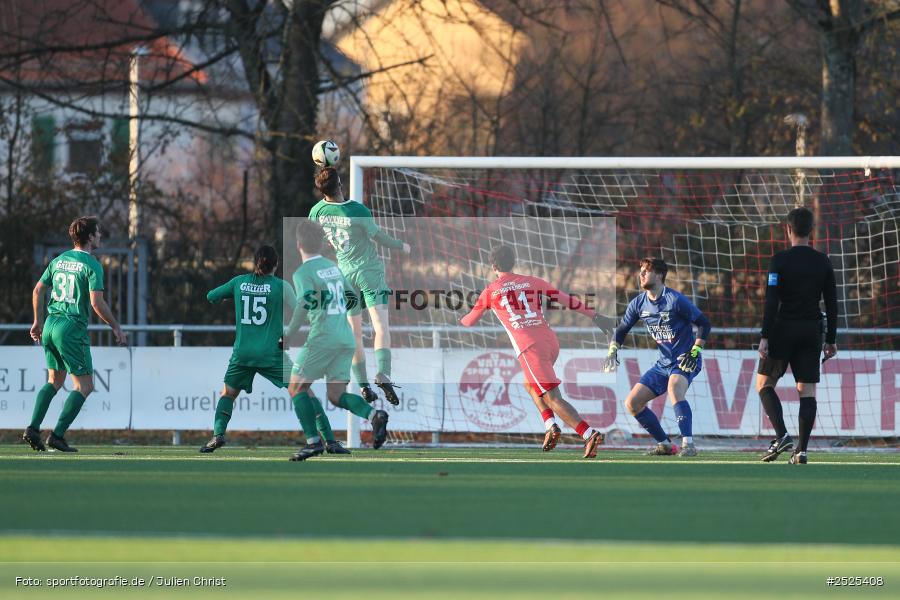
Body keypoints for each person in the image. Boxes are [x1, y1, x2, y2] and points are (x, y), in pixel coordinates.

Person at [459, 245, 610, 458]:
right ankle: (551, 425)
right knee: (529, 384)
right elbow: (565, 299)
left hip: (529, 347)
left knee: (552, 397)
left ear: (493, 266)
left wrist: (462, 318)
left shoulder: (491, 290)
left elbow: (470, 321)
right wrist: (594, 316)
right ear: (513, 263)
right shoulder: (532, 282)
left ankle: (588, 434)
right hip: (549, 341)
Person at [286, 219, 390, 460]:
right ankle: (374, 415)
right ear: (322, 243)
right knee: (336, 395)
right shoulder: (333, 267)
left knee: (295, 387)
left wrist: (288, 334)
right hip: (345, 338)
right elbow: (352, 295)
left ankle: (313, 442)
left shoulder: (302, 273)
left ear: (298, 244)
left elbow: (303, 304)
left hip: (323, 338)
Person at [23, 216, 127, 453]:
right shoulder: (92, 265)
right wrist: (116, 326)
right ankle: (57, 436)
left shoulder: (59, 260)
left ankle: (32, 428)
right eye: (98, 233)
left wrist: (38, 321)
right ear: (90, 237)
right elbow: (96, 303)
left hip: (50, 324)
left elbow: (38, 289)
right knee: (85, 386)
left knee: (54, 381)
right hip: (70, 328)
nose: (100, 236)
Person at [309, 166, 410, 406]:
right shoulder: (357, 210)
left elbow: (317, 240)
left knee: (354, 334)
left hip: (344, 276)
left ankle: (363, 385)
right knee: (380, 327)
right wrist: (401, 246)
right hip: (369, 273)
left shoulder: (316, 212)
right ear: (340, 184)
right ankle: (383, 373)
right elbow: (378, 237)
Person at [200, 245, 314, 454]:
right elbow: (301, 310)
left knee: (228, 394)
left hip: (242, 353)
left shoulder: (239, 282)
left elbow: (211, 296)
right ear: (276, 265)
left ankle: (217, 435)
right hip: (271, 354)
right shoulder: (281, 286)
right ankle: (319, 439)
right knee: (302, 390)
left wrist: (230, 297)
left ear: (255, 263)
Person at [604, 257, 711, 457]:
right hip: (663, 364)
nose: (641, 274)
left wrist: (695, 351)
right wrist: (612, 350)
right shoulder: (638, 303)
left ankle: (688, 444)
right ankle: (665, 445)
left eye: (646, 270)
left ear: (660, 275)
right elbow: (621, 330)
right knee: (632, 403)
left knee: (674, 388)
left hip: (685, 359)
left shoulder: (675, 300)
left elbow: (704, 324)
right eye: (641, 270)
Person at [757, 207, 838, 464]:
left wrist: (765, 335)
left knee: (764, 385)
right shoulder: (823, 261)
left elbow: (771, 302)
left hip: (783, 329)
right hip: (811, 330)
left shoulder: (778, 261)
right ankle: (802, 451)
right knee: (807, 391)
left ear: (788, 230)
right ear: (811, 231)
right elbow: (833, 303)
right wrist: (831, 339)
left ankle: (781, 436)